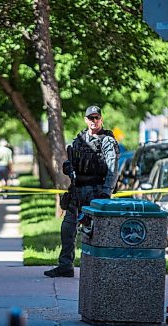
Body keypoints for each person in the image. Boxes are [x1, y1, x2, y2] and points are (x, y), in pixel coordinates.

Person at [44, 105, 120, 278]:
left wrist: (105, 193)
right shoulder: (80, 139)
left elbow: (112, 170)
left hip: (96, 192)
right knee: (68, 229)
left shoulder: (107, 141)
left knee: (97, 232)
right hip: (77, 191)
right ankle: (65, 266)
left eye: (96, 118)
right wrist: (68, 166)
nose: (94, 121)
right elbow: (71, 161)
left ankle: (101, 268)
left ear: (101, 119)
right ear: (85, 120)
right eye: (90, 118)